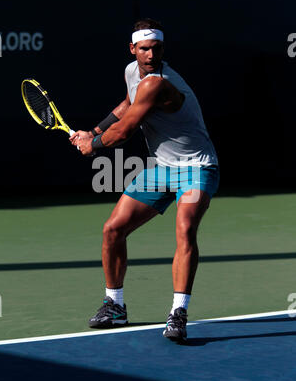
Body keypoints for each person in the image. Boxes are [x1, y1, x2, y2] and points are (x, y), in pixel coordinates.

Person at [70, 18, 219, 342]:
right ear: (133, 49)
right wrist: (93, 131)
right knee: (113, 229)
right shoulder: (132, 72)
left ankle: (178, 312)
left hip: (196, 167)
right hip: (162, 169)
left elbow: (124, 132)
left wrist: (92, 146)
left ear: (162, 49)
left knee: (185, 229)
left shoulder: (158, 83)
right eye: (144, 49)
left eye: (157, 48)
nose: (151, 55)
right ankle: (115, 306)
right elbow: (126, 105)